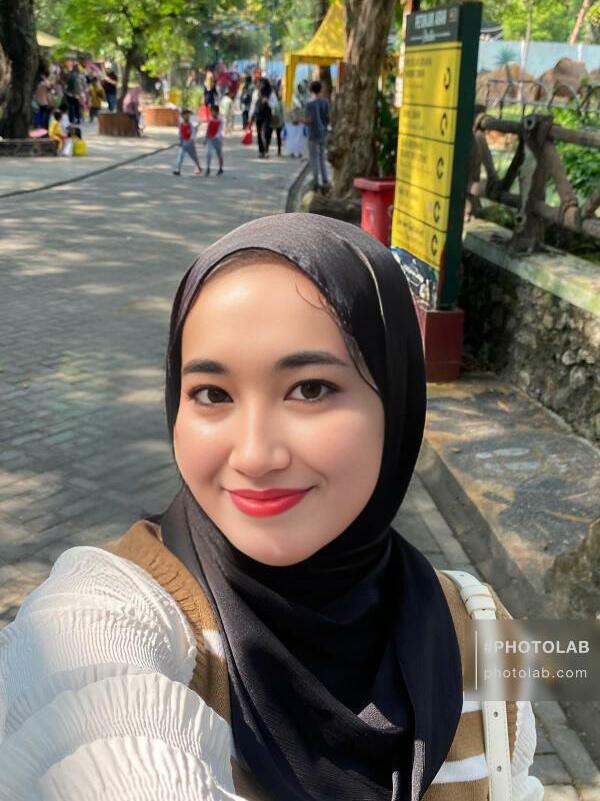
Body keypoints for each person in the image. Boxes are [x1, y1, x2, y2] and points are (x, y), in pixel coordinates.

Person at [0, 214, 543, 801]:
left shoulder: (477, 625)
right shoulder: (108, 615)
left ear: (398, 402)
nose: (255, 456)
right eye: (213, 394)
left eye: (310, 389)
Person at [305, 79, 330, 192]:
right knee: (321, 157)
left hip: (312, 133)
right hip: (323, 132)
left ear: (311, 90)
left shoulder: (309, 103)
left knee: (313, 158)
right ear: (320, 89)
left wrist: (299, 120)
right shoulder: (325, 102)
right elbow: (327, 117)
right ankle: (325, 179)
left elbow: (309, 120)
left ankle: (315, 180)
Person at [173, 109, 202, 176]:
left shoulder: (191, 125)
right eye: (185, 115)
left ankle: (198, 166)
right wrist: (180, 141)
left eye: (188, 115)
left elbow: (193, 134)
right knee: (180, 156)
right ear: (182, 116)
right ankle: (177, 170)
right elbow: (180, 133)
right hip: (183, 143)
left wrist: (190, 140)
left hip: (190, 144)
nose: (186, 116)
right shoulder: (181, 125)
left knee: (193, 156)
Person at [204, 104, 224, 176]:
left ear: (217, 112)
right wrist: (206, 138)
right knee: (209, 153)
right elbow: (208, 129)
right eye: (212, 112)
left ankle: (220, 168)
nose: (213, 113)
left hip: (218, 140)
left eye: (214, 112)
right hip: (210, 139)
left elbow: (220, 130)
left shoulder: (220, 120)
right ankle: (208, 168)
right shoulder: (210, 119)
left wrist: (216, 136)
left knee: (219, 154)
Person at [271, 85, 284, 157]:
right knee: (268, 135)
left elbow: (283, 112)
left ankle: (279, 151)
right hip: (271, 120)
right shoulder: (273, 100)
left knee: (278, 136)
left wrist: (283, 122)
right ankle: (266, 149)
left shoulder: (281, 101)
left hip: (279, 121)